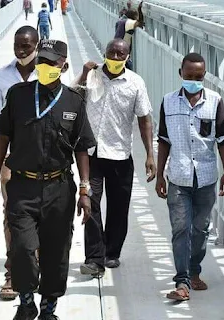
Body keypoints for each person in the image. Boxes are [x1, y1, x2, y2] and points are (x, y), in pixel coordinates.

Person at [0, 39, 96, 320]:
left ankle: (48, 308)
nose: (45, 66)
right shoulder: (19, 95)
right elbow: (2, 139)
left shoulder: (74, 101)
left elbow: (82, 148)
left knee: (56, 250)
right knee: (22, 247)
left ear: (64, 65)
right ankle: (25, 300)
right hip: (22, 185)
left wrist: (85, 190)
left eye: (52, 63)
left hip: (59, 187)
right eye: (42, 61)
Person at [74, 39, 155, 277]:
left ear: (128, 57)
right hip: (92, 154)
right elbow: (72, 97)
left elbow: (144, 119)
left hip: (120, 152)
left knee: (119, 207)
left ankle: (112, 252)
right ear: (105, 53)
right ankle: (94, 257)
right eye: (112, 53)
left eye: (121, 54)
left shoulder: (135, 82)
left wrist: (150, 154)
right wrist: (83, 73)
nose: (116, 58)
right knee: (91, 201)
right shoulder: (92, 75)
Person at [155, 52, 224, 301]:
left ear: (204, 75)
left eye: (198, 76)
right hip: (178, 176)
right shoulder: (168, 102)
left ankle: (194, 271)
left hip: (206, 177)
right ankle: (182, 282)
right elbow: (164, 141)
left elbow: (222, 140)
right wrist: (159, 175)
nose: (193, 80)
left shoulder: (215, 101)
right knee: (180, 229)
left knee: (200, 229)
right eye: (189, 76)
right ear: (181, 74)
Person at [0, 26, 39, 301]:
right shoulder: (0, 78)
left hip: (41, 155)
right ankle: (13, 273)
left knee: (40, 215)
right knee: (12, 215)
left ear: (37, 45)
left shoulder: (48, 73)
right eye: (18, 44)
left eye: (27, 45)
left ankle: (34, 265)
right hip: (10, 156)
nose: (21, 49)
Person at [113, 2, 144, 70]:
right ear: (134, 17)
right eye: (136, 17)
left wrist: (129, 8)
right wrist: (139, 9)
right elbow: (140, 23)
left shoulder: (121, 21)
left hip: (115, 48)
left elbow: (130, 14)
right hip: (121, 53)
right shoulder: (128, 22)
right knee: (128, 69)